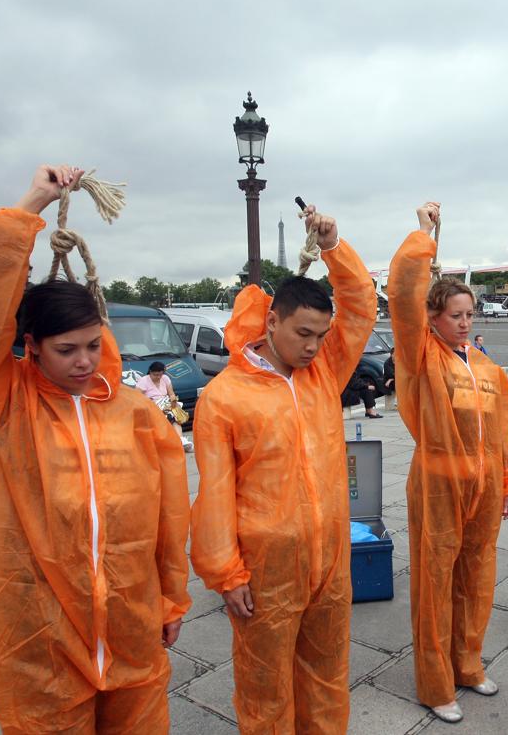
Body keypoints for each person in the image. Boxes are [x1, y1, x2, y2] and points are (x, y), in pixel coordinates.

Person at [0, 164, 191, 733]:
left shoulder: (134, 414)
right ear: (31, 346)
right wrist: (31, 206)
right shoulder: (3, 406)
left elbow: (168, 515)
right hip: (41, 640)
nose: (82, 361)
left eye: (91, 346)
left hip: (132, 633)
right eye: (65, 349)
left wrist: (171, 601)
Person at [190, 204, 376, 734]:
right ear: (272, 320)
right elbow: (216, 495)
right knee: (265, 686)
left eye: (321, 334)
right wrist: (226, 573)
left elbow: (360, 308)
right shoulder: (224, 397)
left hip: (329, 559)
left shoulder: (321, 372)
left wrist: (334, 246)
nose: (314, 346)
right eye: (302, 333)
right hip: (266, 568)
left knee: (326, 676)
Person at [388, 201, 508, 723]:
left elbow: (501, 433)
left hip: (485, 487)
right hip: (439, 484)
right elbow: (403, 294)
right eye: (455, 315)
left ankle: (467, 663)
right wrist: (425, 237)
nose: (465, 323)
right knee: (434, 583)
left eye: (470, 315)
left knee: (477, 577)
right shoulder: (421, 357)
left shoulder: (487, 368)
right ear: (433, 319)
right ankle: (434, 682)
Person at [135, 361, 194, 451]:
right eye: (155, 375)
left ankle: (181, 440)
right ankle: (180, 440)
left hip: (165, 402)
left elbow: (171, 393)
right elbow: (137, 397)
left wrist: (173, 400)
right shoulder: (144, 381)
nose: (158, 377)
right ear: (150, 372)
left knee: (173, 414)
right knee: (171, 415)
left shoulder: (165, 378)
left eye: (160, 375)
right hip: (151, 405)